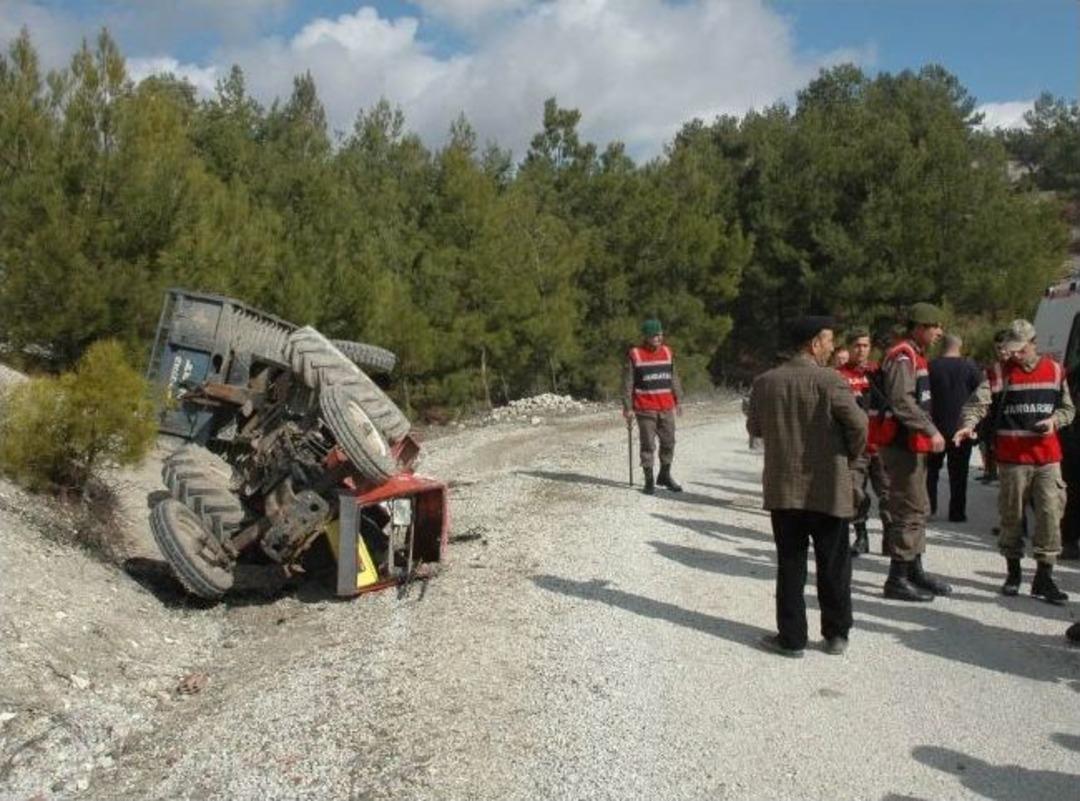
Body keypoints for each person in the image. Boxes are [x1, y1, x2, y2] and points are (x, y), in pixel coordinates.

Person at [747, 316, 867, 657]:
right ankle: (836, 635)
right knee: (834, 565)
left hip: (784, 490)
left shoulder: (765, 382)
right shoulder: (831, 381)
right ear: (813, 344)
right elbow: (859, 425)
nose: (832, 347)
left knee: (790, 565)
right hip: (829, 487)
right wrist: (848, 458)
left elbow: (755, 428)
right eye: (828, 341)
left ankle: (792, 639)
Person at [954, 319, 1075, 604]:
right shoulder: (998, 373)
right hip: (1012, 461)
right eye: (1012, 350)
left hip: (1047, 459)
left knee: (1050, 517)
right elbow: (977, 403)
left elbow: (1069, 409)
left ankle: (1044, 579)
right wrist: (969, 424)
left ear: (1034, 343)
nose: (1015, 355)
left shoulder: (1055, 371)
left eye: (1020, 350)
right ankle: (1013, 573)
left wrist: (1054, 421)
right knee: (1011, 518)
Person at [877, 302, 951, 602]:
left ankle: (913, 569)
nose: (939, 332)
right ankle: (897, 578)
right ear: (920, 327)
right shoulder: (903, 356)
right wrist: (930, 430)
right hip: (901, 444)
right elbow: (901, 401)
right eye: (935, 327)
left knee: (918, 507)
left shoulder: (914, 355)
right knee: (907, 509)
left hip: (911, 443)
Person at [836, 327, 892, 556]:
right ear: (849, 347)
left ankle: (890, 537)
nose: (861, 350)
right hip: (855, 448)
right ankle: (861, 536)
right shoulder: (839, 375)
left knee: (888, 493)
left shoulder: (879, 373)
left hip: (881, 446)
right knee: (854, 492)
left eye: (865, 345)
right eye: (857, 345)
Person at [622, 318, 684, 495]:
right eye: (655, 334)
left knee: (669, 442)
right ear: (647, 337)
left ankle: (664, 475)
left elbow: (674, 377)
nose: (659, 337)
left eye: (660, 334)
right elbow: (627, 383)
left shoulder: (667, 352)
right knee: (648, 444)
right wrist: (628, 407)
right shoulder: (635, 354)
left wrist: (678, 399)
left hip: (666, 406)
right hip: (645, 408)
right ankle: (649, 481)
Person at [926, 334, 983, 522]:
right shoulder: (969, 366)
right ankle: (957, 512)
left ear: (942, 345)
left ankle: (930, 508)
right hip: (961, 428)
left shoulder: (931, 366)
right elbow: (981, 393)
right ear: (961, 345)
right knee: (959, 474)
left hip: (936, 428)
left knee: (931, 472)